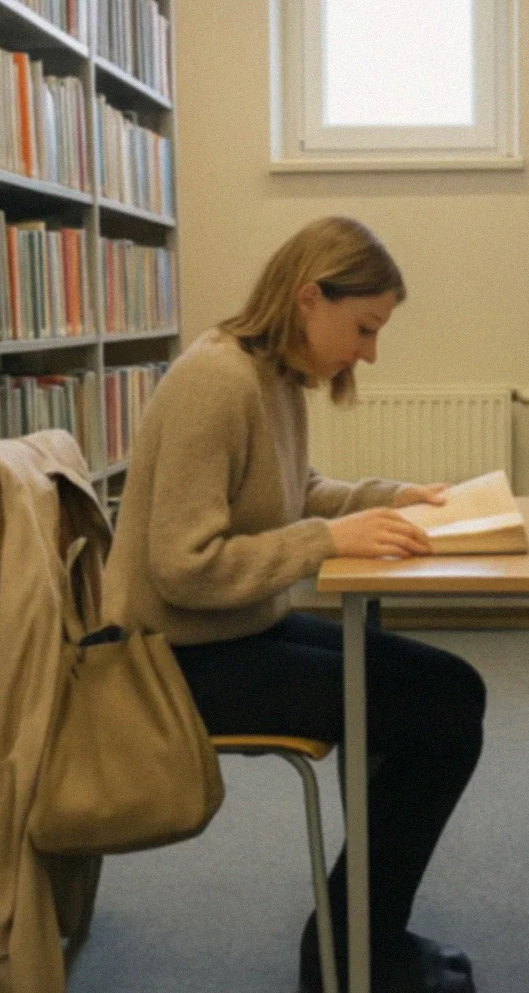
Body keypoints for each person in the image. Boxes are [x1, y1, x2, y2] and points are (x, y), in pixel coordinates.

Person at [101, 216, 486, 993]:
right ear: (309, 297)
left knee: (454, 691)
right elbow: (183, 566)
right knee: (438, 714)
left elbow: (291, 492)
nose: (368, 352)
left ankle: (359, 941)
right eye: (364, 327)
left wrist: (392, 499)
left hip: (237, 630)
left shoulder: (269, 375)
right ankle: (351, 953)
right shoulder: (218, 379)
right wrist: (327, 541)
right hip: (174, 660)